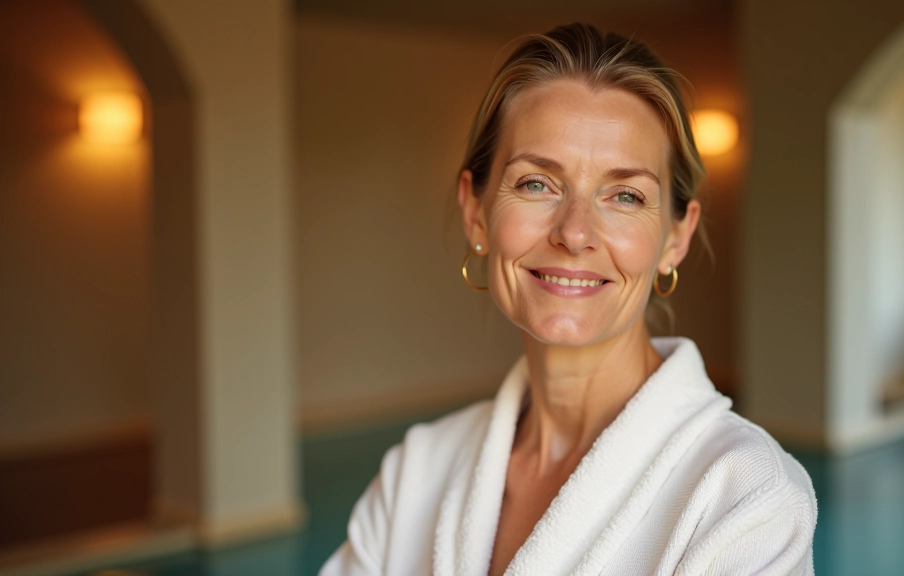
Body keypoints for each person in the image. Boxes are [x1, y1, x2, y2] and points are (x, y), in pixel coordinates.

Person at [320, 23, 817, 576]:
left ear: (675, 237)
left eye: (625, 195)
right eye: (537, 184)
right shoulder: (417, 470)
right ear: (476, 212)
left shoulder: (745, 497)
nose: (575, 233)